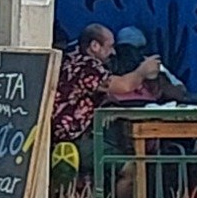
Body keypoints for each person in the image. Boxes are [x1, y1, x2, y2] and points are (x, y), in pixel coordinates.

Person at [52, 24, 161, 165]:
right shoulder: (87, 67)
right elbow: (123, 85)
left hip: (66, 136)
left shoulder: (71, 59)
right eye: (110, 46)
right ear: (95, 46)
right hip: (70, 140)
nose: (114, 52)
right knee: (130, 169)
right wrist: (142, 71)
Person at [109, 26, 188, 103]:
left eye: (136, 50)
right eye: (125, 49)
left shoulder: (153, 65)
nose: (130, 53)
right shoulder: (106, 69)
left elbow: (180, 91)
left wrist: (160, 81)